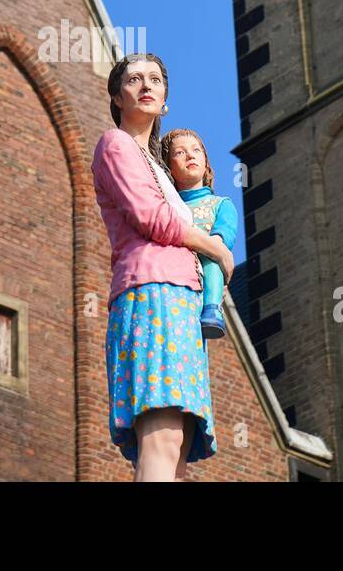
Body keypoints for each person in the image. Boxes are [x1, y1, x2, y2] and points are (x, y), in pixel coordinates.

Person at [92, 53, 234, 481]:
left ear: (166, 99)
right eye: (134, 79)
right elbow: (150, 216)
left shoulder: (157, 165)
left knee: (178, 448)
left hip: (180, 298)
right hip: (152, 290)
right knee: (161, 435)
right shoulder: (115, 145)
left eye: (154, 78)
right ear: (118, 96)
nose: (146, 85)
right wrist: (213, 247)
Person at [161, 128, 238, 339]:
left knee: (212, 259)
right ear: (168, 167)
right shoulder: (168, 206)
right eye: (179, 152)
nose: (190, 155)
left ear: (206, 163)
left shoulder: (220, 204)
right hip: (177, 265)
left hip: (206, 258)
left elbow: (224, 231)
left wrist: (214, 242)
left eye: (196, 150)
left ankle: (211, 308)